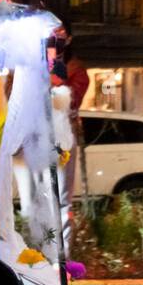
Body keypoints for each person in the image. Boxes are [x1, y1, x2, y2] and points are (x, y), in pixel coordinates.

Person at [49, 19, 88, 255]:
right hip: (39, 134)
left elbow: (67, 100)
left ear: (69, 39)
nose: (55, 37)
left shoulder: (77, 70)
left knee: (62, 198)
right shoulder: (38, 65)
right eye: (52, 33)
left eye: (61, 33)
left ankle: (60, 257)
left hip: (62, 133)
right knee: (41, 196)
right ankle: (44, 252)